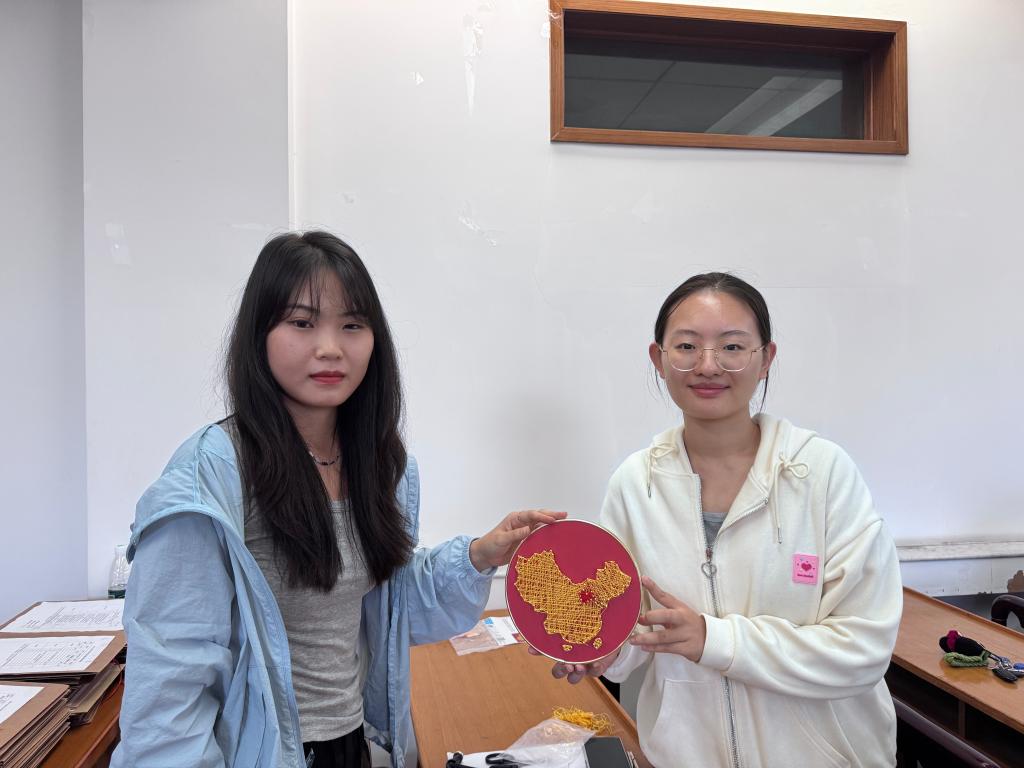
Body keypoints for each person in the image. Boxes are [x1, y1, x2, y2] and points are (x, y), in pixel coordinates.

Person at [111, 231, 563, 768]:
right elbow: (170, 682)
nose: (330, 348)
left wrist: (478, 556)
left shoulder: (380, 463)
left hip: (352, 743)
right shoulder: (212, 475)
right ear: (259, 335)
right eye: (302, 323)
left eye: (352, 325)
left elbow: (387, 606)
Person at [540, 273, 902, 767]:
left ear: (765, 359)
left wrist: (714, 640)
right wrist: (602, 649)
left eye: (732, 346)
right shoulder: (635, 483)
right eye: (687, 346)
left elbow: (864, 651)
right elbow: (634, 631)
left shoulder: (821, 474)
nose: (708, 365)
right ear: (659, 359)